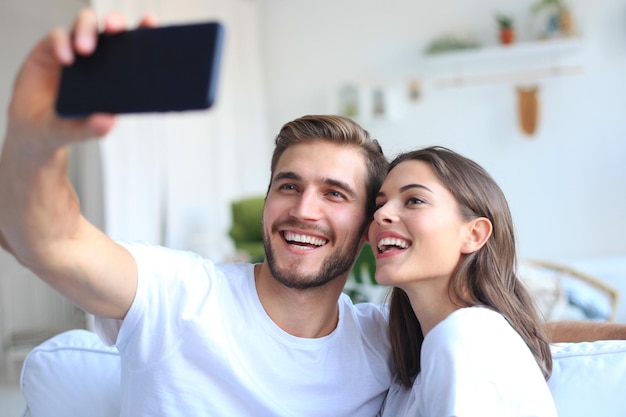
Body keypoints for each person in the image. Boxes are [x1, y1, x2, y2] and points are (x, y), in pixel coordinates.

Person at [1, 8, 625, 417]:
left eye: (336, 194)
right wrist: (35, 139)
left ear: (365, 227)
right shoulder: (178, 292)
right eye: (287, 185)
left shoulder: (385, 338)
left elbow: (494, 331)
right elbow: (46, 241)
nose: (303, 210)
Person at [369, 146, 557, 416]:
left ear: (474, 234)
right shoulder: (414, 366)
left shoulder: (465, 337)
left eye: (414, 200)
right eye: (379, 204)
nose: (380, 215)